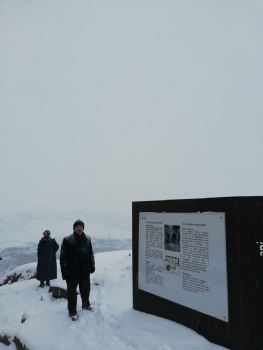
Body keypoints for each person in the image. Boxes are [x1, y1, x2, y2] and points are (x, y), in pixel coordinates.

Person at [60, 219, 95, 321]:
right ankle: (72, 311)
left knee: (85, 290)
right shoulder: (67, 240)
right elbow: (63, 257)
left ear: (83, 228)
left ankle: (86, 305)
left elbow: (90, 254)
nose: (79, 228)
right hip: (72, 271)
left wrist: (92, 266)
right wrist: (65, 272)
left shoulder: (88, 239)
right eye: (77, 227)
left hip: (84, 270)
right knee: (71, 293)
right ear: (74, 228)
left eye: (81, 226)